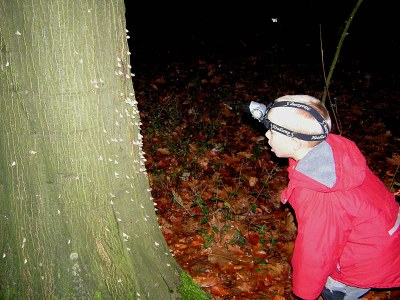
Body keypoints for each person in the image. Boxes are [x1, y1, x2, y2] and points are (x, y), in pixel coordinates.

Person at [247, 95, 400, 299]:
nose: (266, 135)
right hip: (384, 239)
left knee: (334, 293)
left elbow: (317, 251)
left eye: (272, 131)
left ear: (294, 143)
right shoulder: (330, 150)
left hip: (362, 263)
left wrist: (305, 293)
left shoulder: (319, 194)